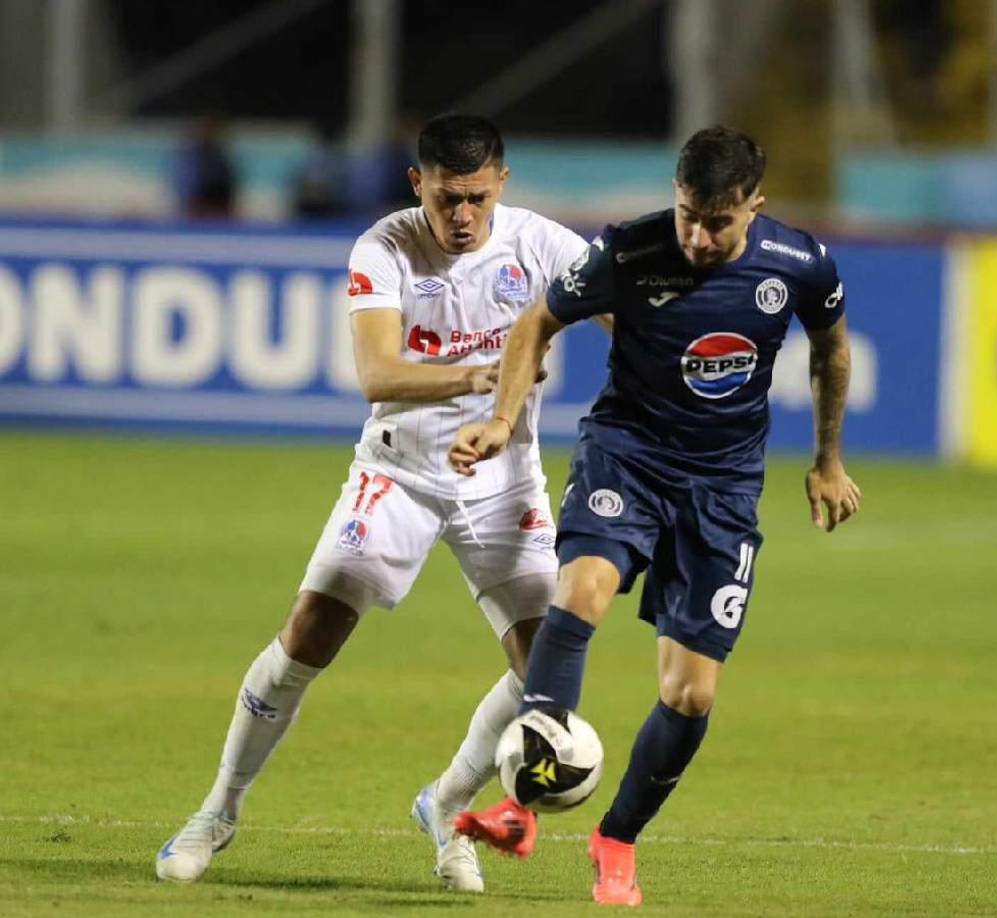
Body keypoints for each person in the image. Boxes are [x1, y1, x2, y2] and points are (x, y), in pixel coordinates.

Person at [155, 114, 601, 894]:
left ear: (501, 182)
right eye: (444, 199)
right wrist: (486, 375)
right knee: (309, 632)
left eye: (474, 198)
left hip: (504, 481)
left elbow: (621, 306)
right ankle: (218, 811)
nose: (460, 217)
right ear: (415, 184)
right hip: (399, 471)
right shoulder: (384, 246)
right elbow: (378, 374)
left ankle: (448, 805)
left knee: (547, 672)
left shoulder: (543, 245)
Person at [448, 126, 861, 907]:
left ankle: (617, 838)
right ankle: (520, 803)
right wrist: (504, 419)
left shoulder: (799, 263)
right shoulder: (628, 252)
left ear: (754, 208)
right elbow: (537, 319)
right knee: (580, 594)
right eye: (687, 216)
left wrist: (828, 460)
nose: (699, 237)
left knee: (691, 694)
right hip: (627, 455)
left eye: (719, 222)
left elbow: (831, 348)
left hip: (723, 489)